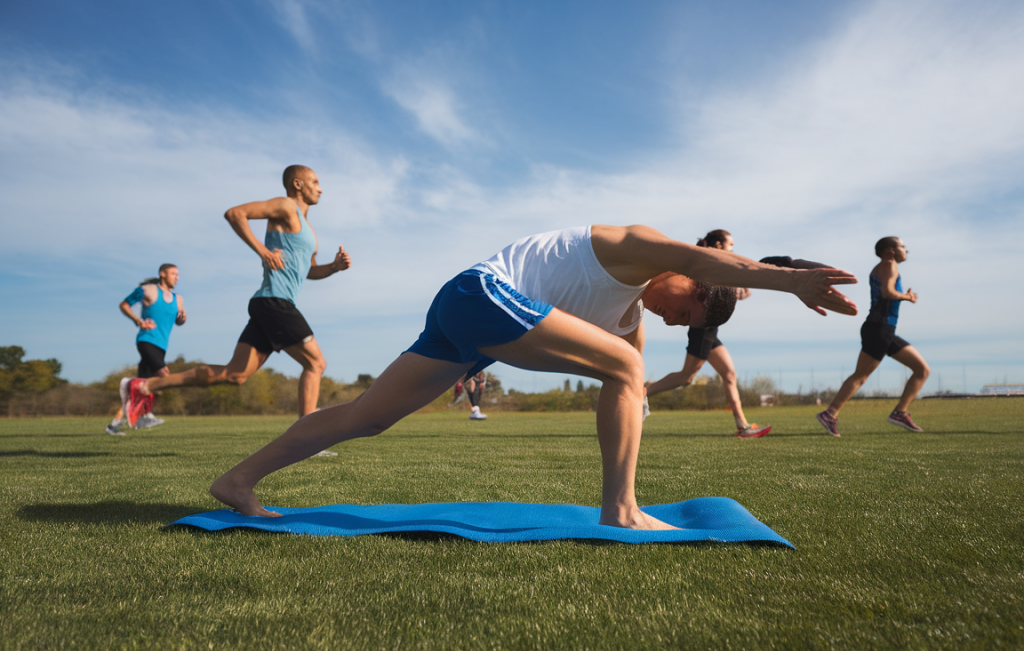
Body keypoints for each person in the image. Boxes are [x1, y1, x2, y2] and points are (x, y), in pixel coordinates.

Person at [206, 224, 857, 527]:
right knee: (626, 364)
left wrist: (636, 396)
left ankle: (237, 481)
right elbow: (710, 263)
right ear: (691, 278)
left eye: (683, 321)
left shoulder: (630, 313)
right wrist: (790, 280)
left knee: (367, 417)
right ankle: (621, 511)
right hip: (481, 294)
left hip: (465, 319)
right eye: (684, 308)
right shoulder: (637, 244)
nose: (672, 316)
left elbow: (628, 377)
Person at [119, 165, 351, 429]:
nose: (320, 189)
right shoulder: (286, 206)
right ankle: (306, 436)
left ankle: (144, 386)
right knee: (316, 364)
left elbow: (308, 270)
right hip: (275, 302)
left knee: (234, 374)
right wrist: (263, 251)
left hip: (270, 304)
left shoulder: (310, 232)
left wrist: (334, 267)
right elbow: (235, 214)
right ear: (297, 184)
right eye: (315, 182)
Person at [644, 229, 770, 438]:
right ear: (719, 245)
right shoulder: (707, 261)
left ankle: (743, 426)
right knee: (686, 377)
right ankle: (640, 392)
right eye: (731, 245)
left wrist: (735, 290)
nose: (732, 250)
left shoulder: (714, 264)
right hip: (702, 328)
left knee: (729, 375)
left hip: (711, 329)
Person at [816, 236, 929, 436]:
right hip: (879, 328)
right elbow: (887, 292)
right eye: (902, 246)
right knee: (861, 376)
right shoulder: (889, 265)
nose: (906, 250)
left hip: (885, 329)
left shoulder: (885, 267)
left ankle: (900, 412)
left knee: (922, 370)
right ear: (890, 250)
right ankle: (830, 413)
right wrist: (908, 296)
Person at [107, 264, 186, 434]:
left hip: (162, 345)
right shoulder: (148, 290)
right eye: (173, 273)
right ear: (162, 274)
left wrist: (182, 318)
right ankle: (145, 414)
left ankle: (114, 424)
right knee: (164, 376)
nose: (177, 277)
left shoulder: (178, 299)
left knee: (141, 386)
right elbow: (124, 304)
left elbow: (179, 321)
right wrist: (138, 320)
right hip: (146, 340)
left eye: (178, 274)